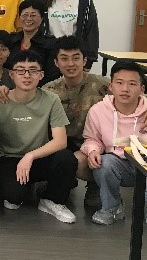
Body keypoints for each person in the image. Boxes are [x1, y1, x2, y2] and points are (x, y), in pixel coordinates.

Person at [0, 50, 78, 223]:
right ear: (12, 75)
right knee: (13, 198)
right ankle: (24, 187)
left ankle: (51, 200)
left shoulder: (51, 99)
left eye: (33, 70)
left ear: (41, 75)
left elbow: (61, 141)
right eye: (20, 70)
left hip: (38, 157)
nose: (27, 75)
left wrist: (30, 156)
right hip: (8, 157)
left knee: (67, 158)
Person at [43, 35, 109, 207]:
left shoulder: (102, 85)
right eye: (64, 58)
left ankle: (96, 184)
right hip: (64, 143)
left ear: (84, 60)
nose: (70, 64)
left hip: (97, 144)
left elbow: (133, 96)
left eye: (76, 58)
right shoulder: (49, 90)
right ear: (56, 62)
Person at [81, 62, 147, 225]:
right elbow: (92, 138)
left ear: (142, 89)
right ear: (110, 86)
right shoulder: (98, 110)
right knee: (104, 163)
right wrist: (93, 150)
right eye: (119, 82)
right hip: (120, 163)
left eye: (132, 84)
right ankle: (112, 207)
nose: (125, 89)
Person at [37, 0, 99, 69]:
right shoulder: (43, 0)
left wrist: (89, 61)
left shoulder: (85, 1)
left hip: (74, 57)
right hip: (48, 56)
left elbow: (91, 32)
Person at [6, 0, 59, 85]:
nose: (28, 19)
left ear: (42, 18)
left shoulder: (51, 43)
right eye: (25, 15)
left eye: (33, 15)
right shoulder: (11, 40)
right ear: (19, 17)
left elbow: (53, 74)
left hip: (40, 88)